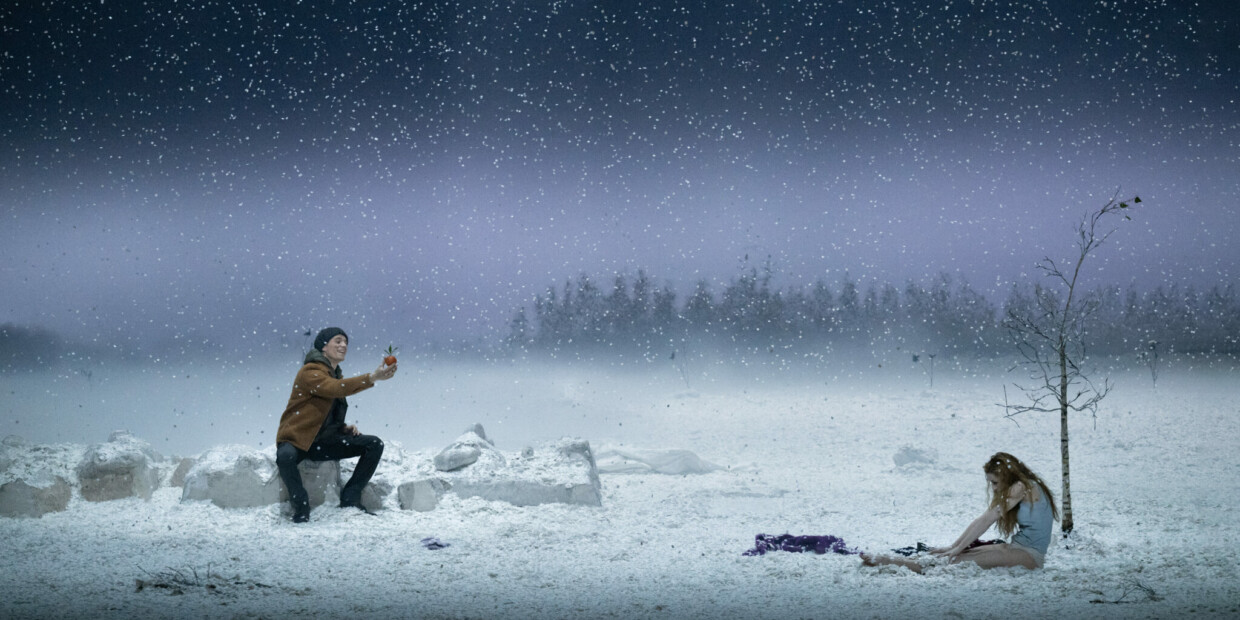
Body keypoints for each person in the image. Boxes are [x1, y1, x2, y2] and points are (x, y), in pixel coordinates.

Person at [861, 452, 1059, 573]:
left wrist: (955, 549)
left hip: (1029, 557)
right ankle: (896, 560)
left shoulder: (1022, 487)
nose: (995, 488)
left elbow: (989, 519)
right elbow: (984, 517)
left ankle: (889, 562)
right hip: (1017, 549)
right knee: (951, 555)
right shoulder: (1023, 485)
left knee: (953, 561)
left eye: (995, 482)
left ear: (1007, 476)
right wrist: (954, 545)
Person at [275, 327, 397, 523]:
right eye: (338, 341)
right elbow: (333, 389)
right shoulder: (310, 371)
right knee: (285, 456)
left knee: (373, 444)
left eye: (346, 342)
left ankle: (350, 498)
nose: (344, 346)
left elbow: (327, 409)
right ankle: (301, 505)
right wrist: (372, 378)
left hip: (323, 443)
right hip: (298, 441)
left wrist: (342, 428)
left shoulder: (335, 374)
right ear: (324, 347)